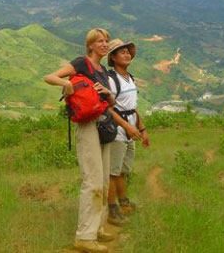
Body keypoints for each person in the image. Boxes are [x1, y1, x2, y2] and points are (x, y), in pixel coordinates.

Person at [43, 28, 115, 253]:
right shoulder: (82, 63)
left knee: (103, 182)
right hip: (87, 126)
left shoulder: (103, 70)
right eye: (100, 41)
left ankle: (98, 229)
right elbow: (50, 77)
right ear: (90, 45)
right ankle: (84, 236)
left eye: (106, 41)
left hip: (103, 124)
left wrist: (106, 92)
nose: (104, 44)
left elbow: (111, 102)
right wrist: (67, 86)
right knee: (92, 180)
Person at [105, 39, 150, 226]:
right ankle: (111, 209)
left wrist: (142, 129)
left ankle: (123, 203)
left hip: (130, 130)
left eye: (127, 51)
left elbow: (133, 107)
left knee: (123, 171)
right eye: (121, 52)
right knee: (113, 173)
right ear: (113, 57)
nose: (127, 54)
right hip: (117, 132)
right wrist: (127, 127)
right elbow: (107, 109)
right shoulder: (111, 79)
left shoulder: (130, 77)